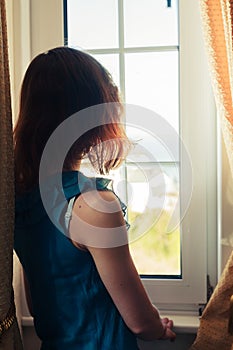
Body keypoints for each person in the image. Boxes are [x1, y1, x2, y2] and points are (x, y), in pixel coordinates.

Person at [14, 46, 176, 350]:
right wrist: (159, 328)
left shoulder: (19, 203)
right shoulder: (93, 205)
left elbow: (37, 306)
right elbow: (140, 322)